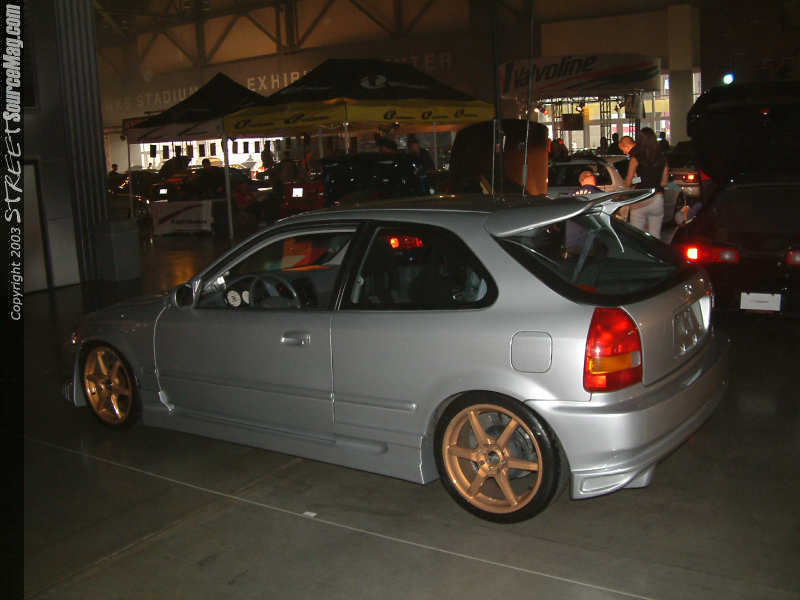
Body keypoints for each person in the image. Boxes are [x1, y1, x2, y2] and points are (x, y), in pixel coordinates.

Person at [623, 127, 669, 238]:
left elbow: (628, 183)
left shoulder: (635, 159)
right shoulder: (662, 159)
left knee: (637, 237)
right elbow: (664, 183)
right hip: (657, 198)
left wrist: (637, 180)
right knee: (655, 235)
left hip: (641, 199)